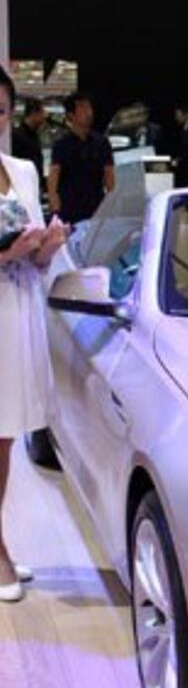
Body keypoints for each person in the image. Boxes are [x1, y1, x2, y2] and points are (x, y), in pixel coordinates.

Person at [0, 64, 67, 602]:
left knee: (5, 438)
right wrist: (6, 254)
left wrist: (46, 247)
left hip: (17, 314)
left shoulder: (21, 169)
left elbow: (36, 260)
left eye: (0, 109)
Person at [47, 92, 115, 225]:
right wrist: (54, 200)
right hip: (69, 210)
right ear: (71, 115)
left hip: (96, 207)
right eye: (83, 108)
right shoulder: (62, 145)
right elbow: (54, 174)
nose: (88, 112)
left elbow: (109, 174)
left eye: (89, 107)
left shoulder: (102, 142)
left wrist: (112, 201)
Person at [12, 97, 46, 184]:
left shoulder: (34, 136)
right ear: (34, 113)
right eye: (42, 112)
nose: (44, 116)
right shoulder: (16, 136)